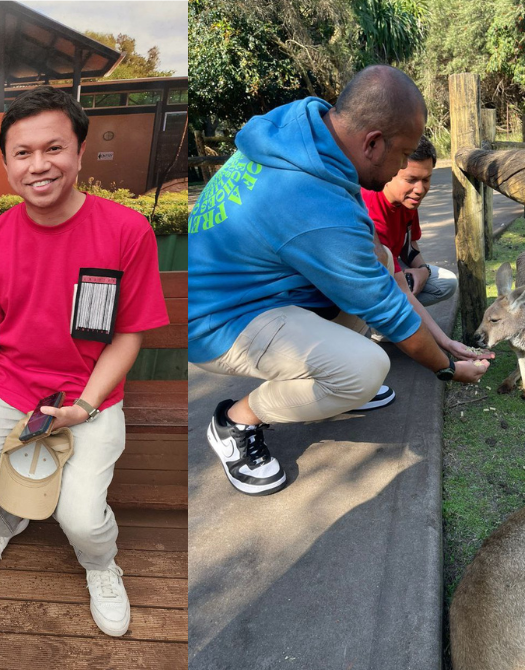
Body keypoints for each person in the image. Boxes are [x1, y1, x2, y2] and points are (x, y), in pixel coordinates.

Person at [0, 86, 169, 638]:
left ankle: (101, 567)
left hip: (88, 395)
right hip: (5, 388)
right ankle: (6, 523)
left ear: (79, 153)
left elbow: (127, 337)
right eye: (23, 153)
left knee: (82, 518)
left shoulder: (125, 230)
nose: (39, 165)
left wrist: (85, 406)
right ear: (6, 164)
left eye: (54, 148)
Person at [188, 65, 492, 497]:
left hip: (256, 291)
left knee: (380, 258)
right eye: (402, 154)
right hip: (213, 321)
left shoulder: (305, 129)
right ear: (372, 143)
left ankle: (339, 386)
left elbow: (385, 273)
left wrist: (443, 338)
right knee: (366, 367)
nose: (403, 167)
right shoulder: (314, 204)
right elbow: (390, 313)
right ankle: (235, 421)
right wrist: (446, 369)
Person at [361, 136, 482, 360]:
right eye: (411, 179)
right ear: (390, 171)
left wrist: (423, 269)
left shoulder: (407, 200)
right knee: (399, 290)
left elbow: (410, 245)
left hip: (390, 271)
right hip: (363, 284)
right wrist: (445, 346)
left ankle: (386, 325)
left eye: (426, 179)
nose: (420, 189)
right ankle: (379, 324)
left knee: (444, 282)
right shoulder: (371, 208)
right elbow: (403, 291)